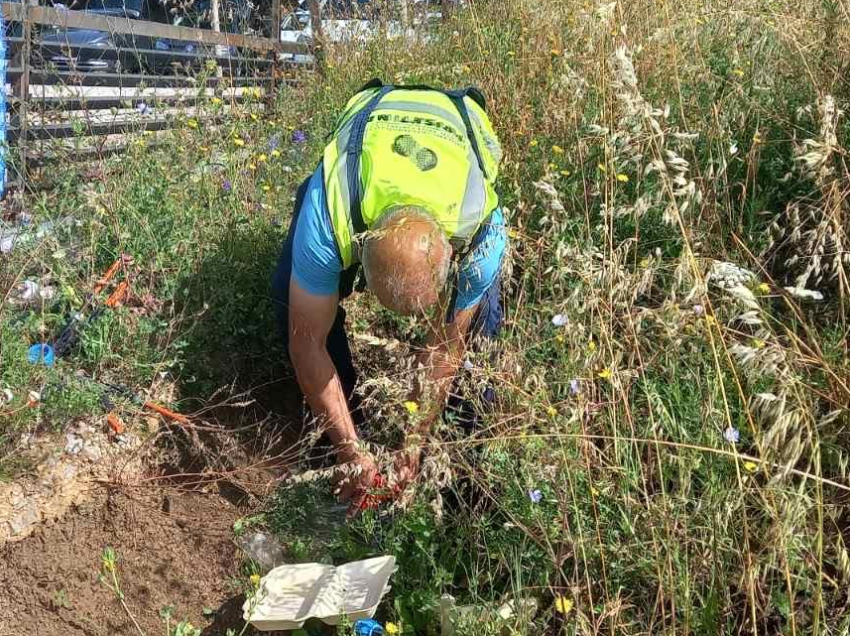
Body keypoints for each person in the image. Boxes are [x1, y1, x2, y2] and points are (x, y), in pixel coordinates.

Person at [271, 79, 507, 509]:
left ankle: (462, 466)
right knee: (289, 300)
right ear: (358, 251)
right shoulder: (332, 213)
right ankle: (337, 434)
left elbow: (445, 347)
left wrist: (412, 445)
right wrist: (351, 453)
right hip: (366, 145)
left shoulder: (479, 229)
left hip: (456, 135)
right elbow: (306, 344)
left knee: (479, 339)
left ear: (449, 257)